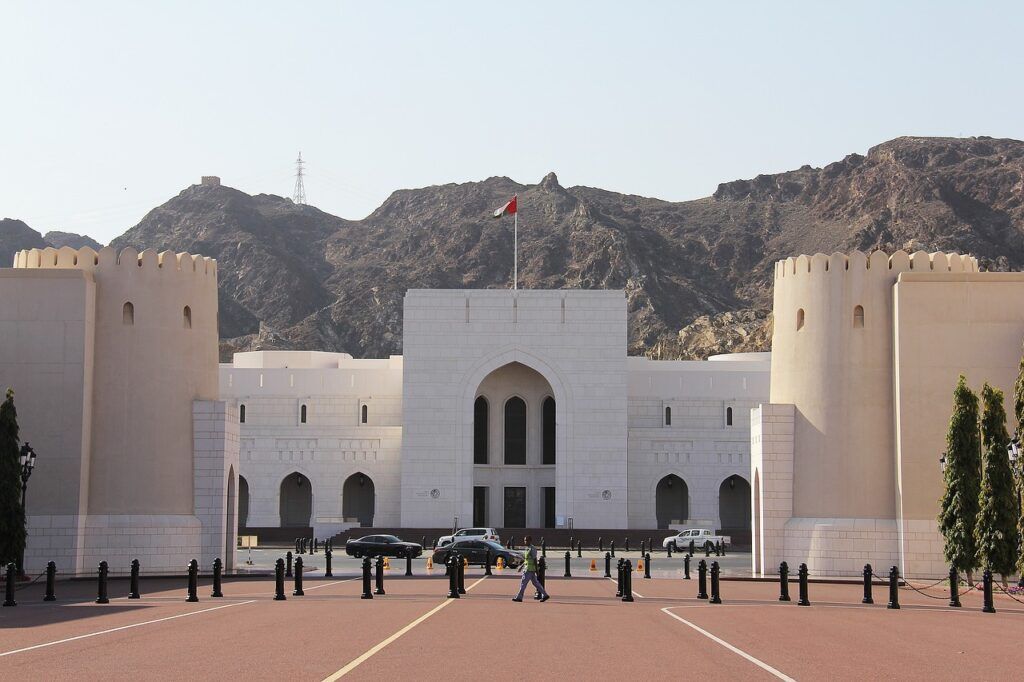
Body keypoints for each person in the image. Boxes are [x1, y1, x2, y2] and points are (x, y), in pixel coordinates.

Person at [512, 535, 549, 602]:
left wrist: (537, 570)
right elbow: (527, 559)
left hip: (529, 569)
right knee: (536, 583)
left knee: (523, 583)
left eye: (526, 540)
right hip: (528, 568)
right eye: (524, 540)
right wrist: (521, 566)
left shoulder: (532, 549)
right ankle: (545, 595)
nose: (525, 541)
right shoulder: (527, 548)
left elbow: (534, 559)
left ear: (530, 541)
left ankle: (519, 597)